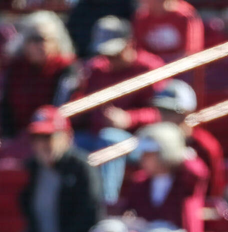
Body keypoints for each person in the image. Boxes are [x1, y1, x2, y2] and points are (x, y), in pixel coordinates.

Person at [69, 16, 163, 204]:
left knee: (110, 138)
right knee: (65, 143)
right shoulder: (95, 70)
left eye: (114, 53)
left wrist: (129, 119)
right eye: (105, 54)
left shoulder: (149, 67)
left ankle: (105, 205)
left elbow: (164, 113)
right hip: (94, 136)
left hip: (140, 142)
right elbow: (79, 113)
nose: (109, 59)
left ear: (130, 44)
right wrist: (76, 90)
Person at [19, 105, 104, 232]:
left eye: (48, 137)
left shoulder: (81, 169)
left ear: (67, 137)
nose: (42, 145)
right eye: (36, 138)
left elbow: (90, 217)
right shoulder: (31, 170)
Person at [117, 121, 209, 232]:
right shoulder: (140, 182)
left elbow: (199, 172)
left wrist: (176, 149)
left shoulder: (185, 179)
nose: (143, 158)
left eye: (150, 154)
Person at [0, 11, 75, 139]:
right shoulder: (16, 69)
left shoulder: (66, 69)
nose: (40, 46)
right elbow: (6, 110)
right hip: (21, 137)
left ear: (56, 42)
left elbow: (59, 109)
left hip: (55, 137)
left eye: (44, 39)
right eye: (34, 39)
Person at [152, 79, 224, 200]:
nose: (166, 117)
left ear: (188, 113)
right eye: (162, 111)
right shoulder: (153, 142)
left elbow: (213, 192)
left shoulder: (204, 144)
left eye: (174, 111)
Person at [132, 0, 202, 63]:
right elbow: (139, 51)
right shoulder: (142, 18)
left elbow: (190, 52)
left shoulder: (184, 16)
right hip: (153, 69)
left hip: (180, 67)